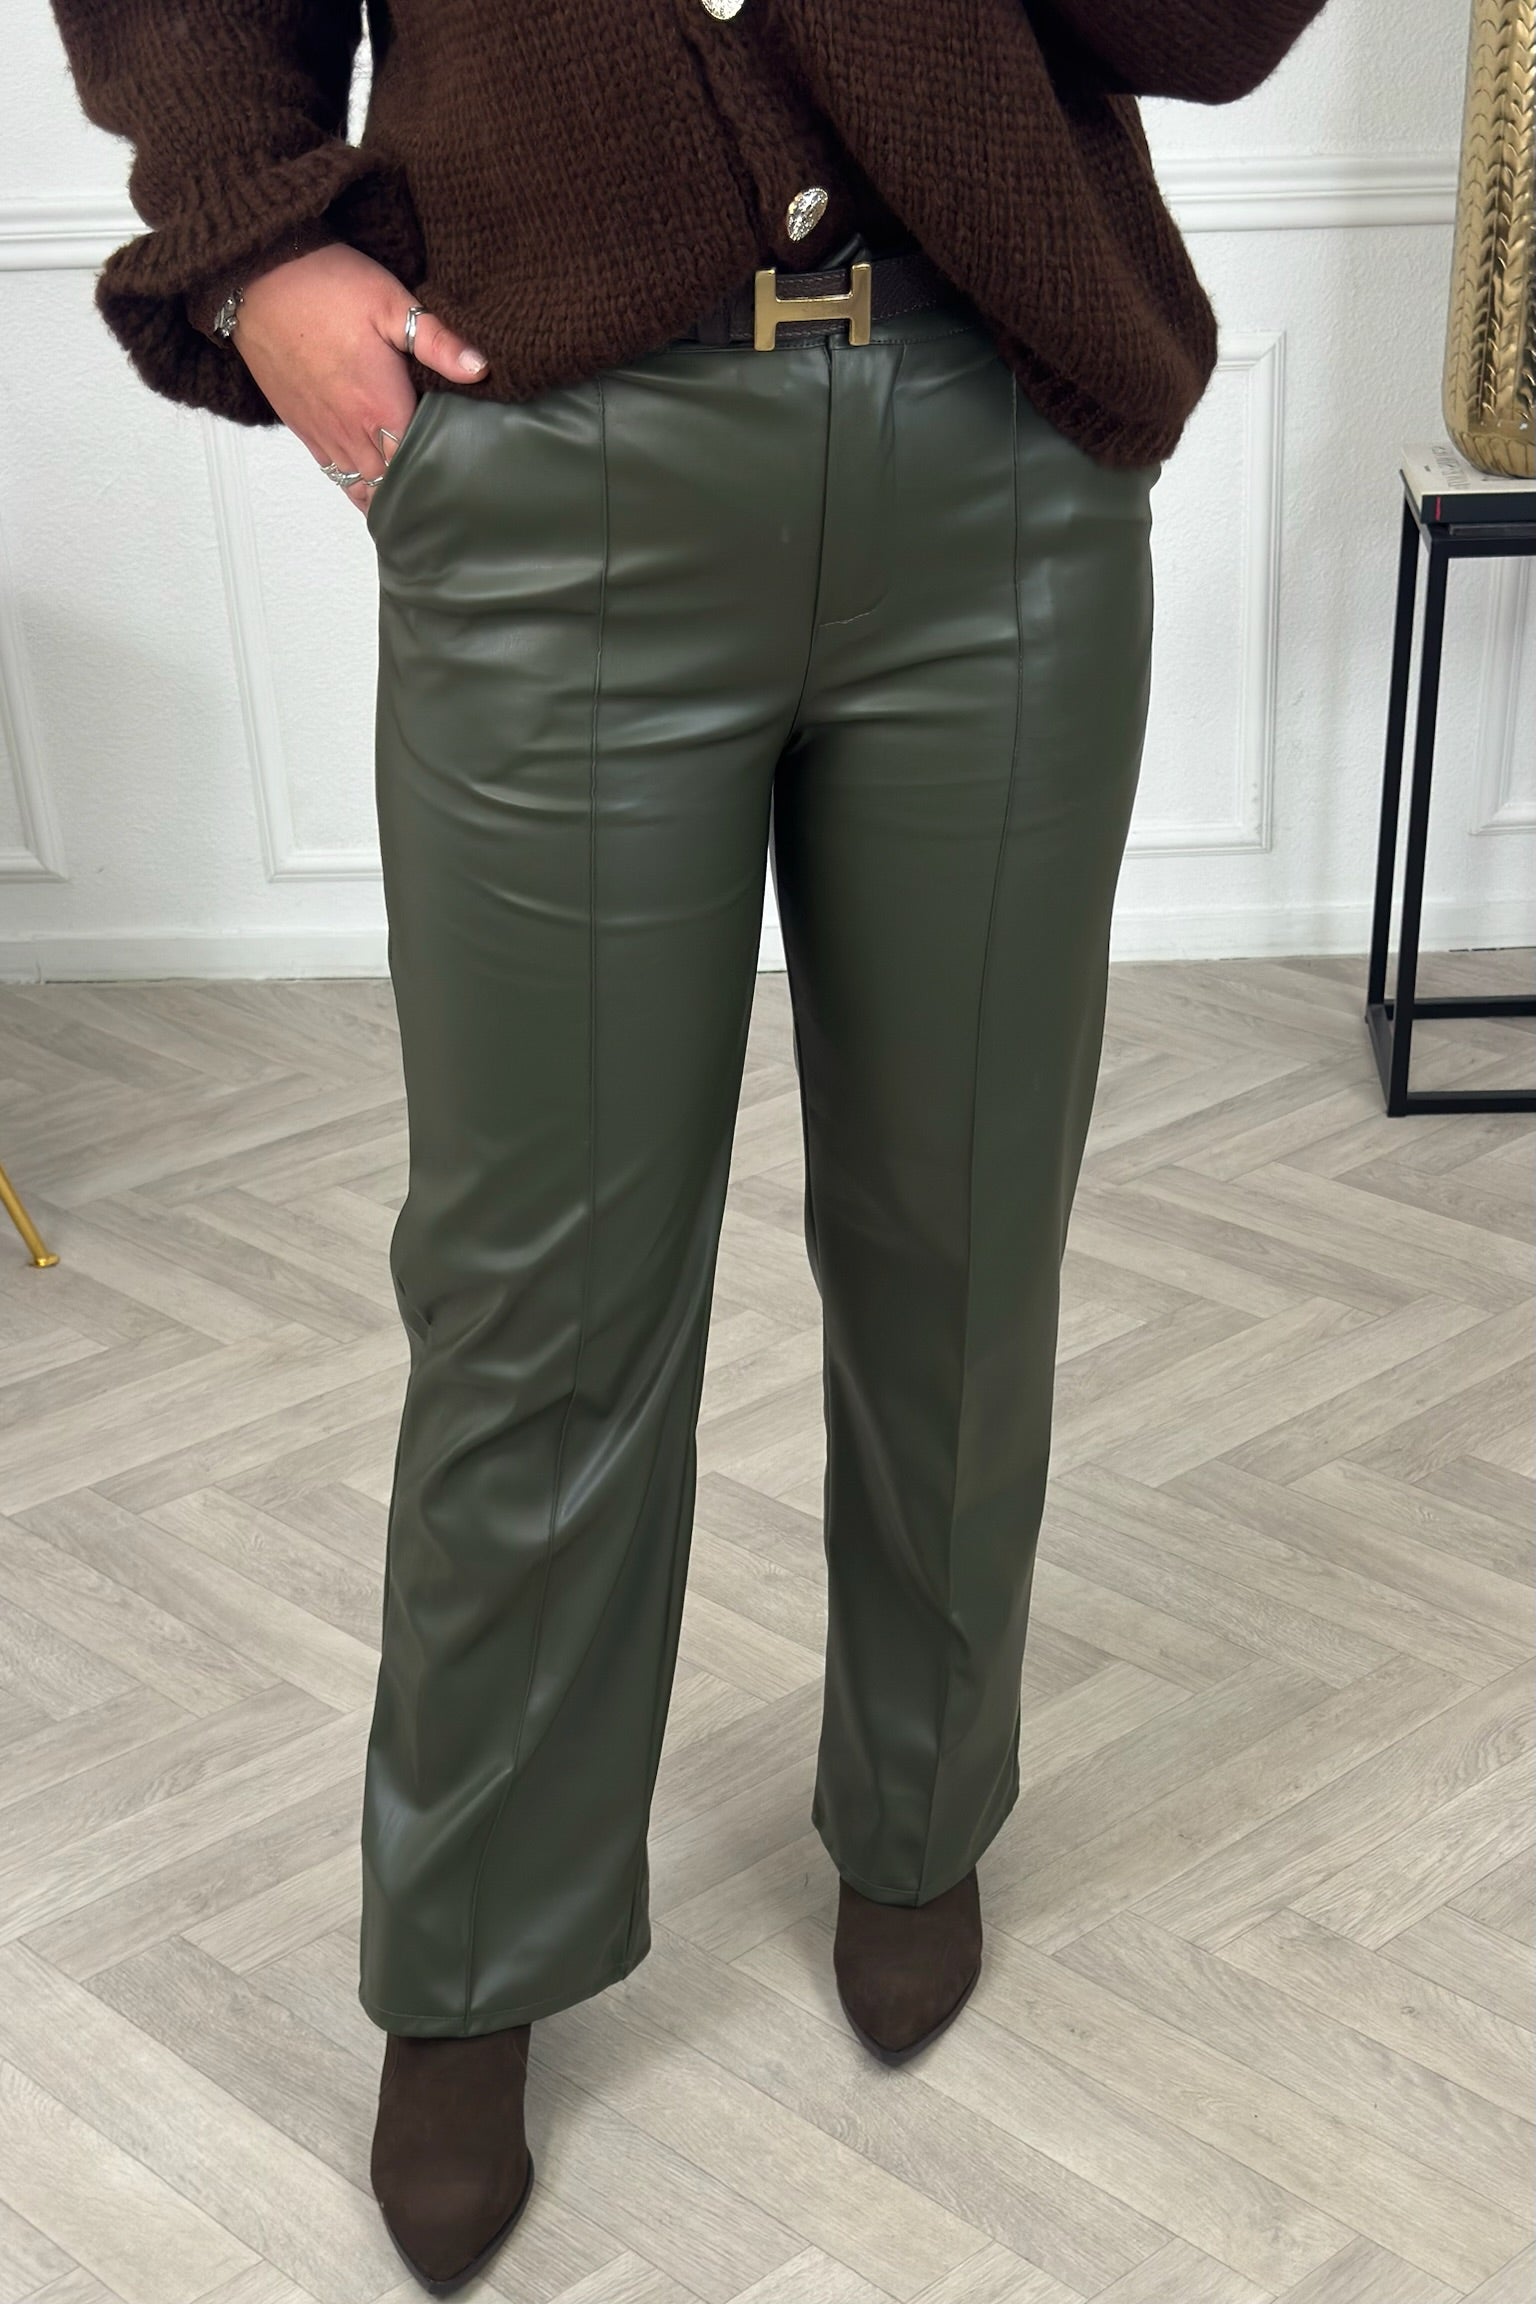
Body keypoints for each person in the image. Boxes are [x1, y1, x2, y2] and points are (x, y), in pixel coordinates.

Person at [48, 1, 1335, 2290]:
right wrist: (250, 250)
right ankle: (472, 1949)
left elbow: (1210, 31)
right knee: (536, 1289)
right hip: (555, 452)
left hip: (1000, 447)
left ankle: (921, 1807)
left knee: (966, 1230)